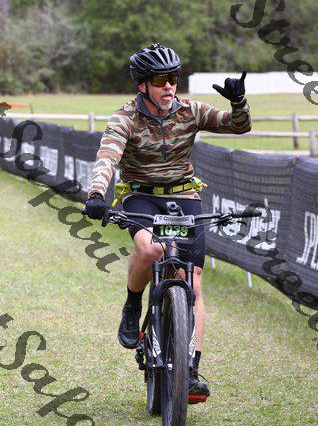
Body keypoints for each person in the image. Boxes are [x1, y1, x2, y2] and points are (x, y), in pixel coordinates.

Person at [84, 43, 251, 399]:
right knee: (151, 250)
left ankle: (190, 370)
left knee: (193, 281)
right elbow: (107, 157)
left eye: (173, 78)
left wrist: (239, 102)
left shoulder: (190, 110)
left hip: (184, 195)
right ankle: (133, 304)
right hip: (141, 195)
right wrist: (96, 194)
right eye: (161, 80)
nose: (169, 86)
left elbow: (238, 126)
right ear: (143, 84)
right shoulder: (125, 117)